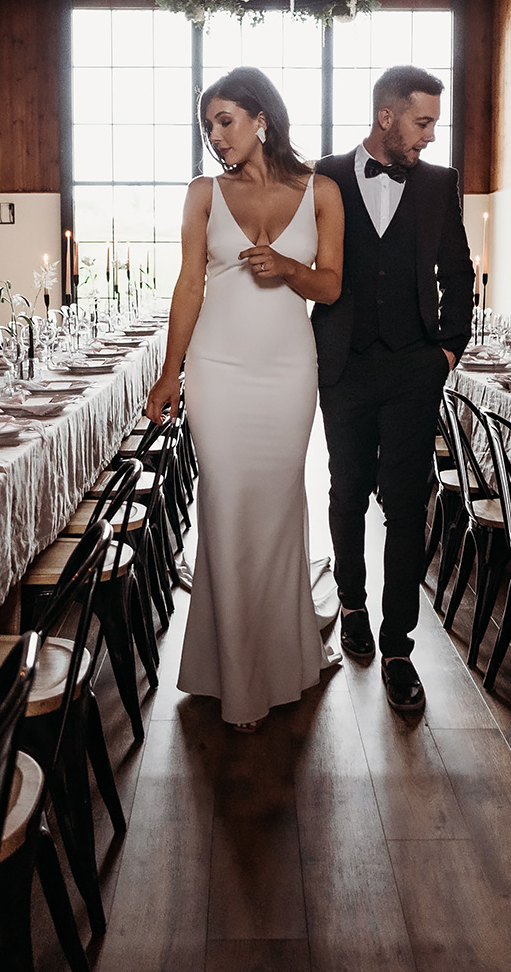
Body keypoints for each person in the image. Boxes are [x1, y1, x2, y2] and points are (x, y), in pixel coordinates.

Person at [146, 67, 345, 731]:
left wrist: (287, 268)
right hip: (217, 368)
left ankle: (283, 661)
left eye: (224, 120)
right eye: (208, 126)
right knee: (226, 508)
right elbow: (189, 287)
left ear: (261, 117)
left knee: (280, 508)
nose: (215, 137)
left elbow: (331, 287)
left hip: (289, 371)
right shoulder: (203, 194)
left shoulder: (322, 191)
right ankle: (233, 677)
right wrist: (169, 372)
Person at [310, 65, 474, 712]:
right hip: (344, 367)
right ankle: (352, 604)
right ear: (387, 117)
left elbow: (459, 274)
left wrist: (447, 352)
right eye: (423, 122)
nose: (431, 136)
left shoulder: (439, 184)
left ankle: (399, 644)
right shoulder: (323, 174)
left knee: (408, 504)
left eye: (434, 122)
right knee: (346, 492)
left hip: (413, 369)